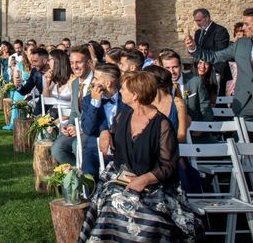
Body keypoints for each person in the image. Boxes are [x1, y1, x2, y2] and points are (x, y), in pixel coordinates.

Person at [78, 71, 203, 242]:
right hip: (122, 177)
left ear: (135, 95)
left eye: (123, 89)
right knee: (112, 203)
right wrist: (106, 132)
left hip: (155, 184)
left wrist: (143, 179)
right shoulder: (123, 116)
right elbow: (114, 139)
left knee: (146, 216)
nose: (120, 91)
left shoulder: (162, 124)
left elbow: (169, 166)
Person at [185, 7, 253, 119]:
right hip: (244, 104)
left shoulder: (220, 31)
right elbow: (215, 56)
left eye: (247, 24)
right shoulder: (240, 44)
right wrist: (194, 49)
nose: (244, 27)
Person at [51, 45, 94, 165]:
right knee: (56, 149)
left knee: (77, 145)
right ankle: (75, 175)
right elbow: (75, 111)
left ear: (89, 63)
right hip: (76, 128)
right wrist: (69, 125)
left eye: (79, 62)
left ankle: (87, 177)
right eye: (72, 63)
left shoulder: (97, 82)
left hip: (92, 129)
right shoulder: (75, 83)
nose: (75, 66)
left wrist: (80, 128)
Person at [80, 63, 124, 179]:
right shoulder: (88, 100)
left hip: (121, 148)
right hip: (94, 147)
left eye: (96, 78)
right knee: (88, 175)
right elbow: (87, 129)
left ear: (108, 83)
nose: (92, 81)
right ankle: (88, 196)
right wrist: (95, 103)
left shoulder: (125, 100)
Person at [160, 49, 213, 122]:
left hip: (193, 127)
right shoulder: (160, 85)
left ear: (181, 66)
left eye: (175, 67)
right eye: (167, 68)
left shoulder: (196, 82)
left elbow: (206, 109)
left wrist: (201, 129)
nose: (172, 72)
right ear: (162, 69)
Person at [192, 8, 231, 96]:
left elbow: (220, 52)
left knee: (218, 103)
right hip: (201, 72)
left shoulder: (220, 31)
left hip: (216, 71)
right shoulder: (198, 33)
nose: (198, 23)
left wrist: (200, 53)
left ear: (207, 18)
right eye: (196, 21)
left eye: (199, 20)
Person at [17, 47, 49, 116]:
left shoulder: (55, 71)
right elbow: (26, 90)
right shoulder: (34, 72)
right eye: (32, 61)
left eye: (35, 61)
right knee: (35, 122)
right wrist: (19, 85)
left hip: (58, 104)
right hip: (42, 102)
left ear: (45, 60)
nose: (33, 64)